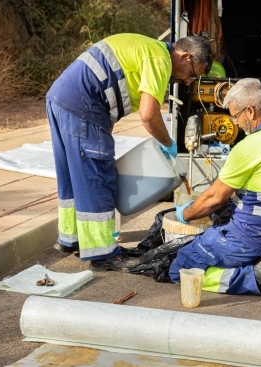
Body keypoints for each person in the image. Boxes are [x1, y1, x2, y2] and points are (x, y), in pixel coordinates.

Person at [129, 78, 261, 300]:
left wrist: (184, 215)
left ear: (251, 112)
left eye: (236, 116)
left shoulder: (249, 147)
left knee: (181, 269)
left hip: (250, 238)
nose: (235, 122)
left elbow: (214, 200)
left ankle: (258, 276)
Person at [45, 34, 213, 271]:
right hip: (84, 105)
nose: (188, 82)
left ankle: (71, 239)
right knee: (98, 177)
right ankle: (102, 252)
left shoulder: (149, 49)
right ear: (186, 56)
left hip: (62, 99)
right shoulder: (161, 59)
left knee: (74, 175)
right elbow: (148, 115)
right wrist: (168, 144)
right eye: (193, 74)